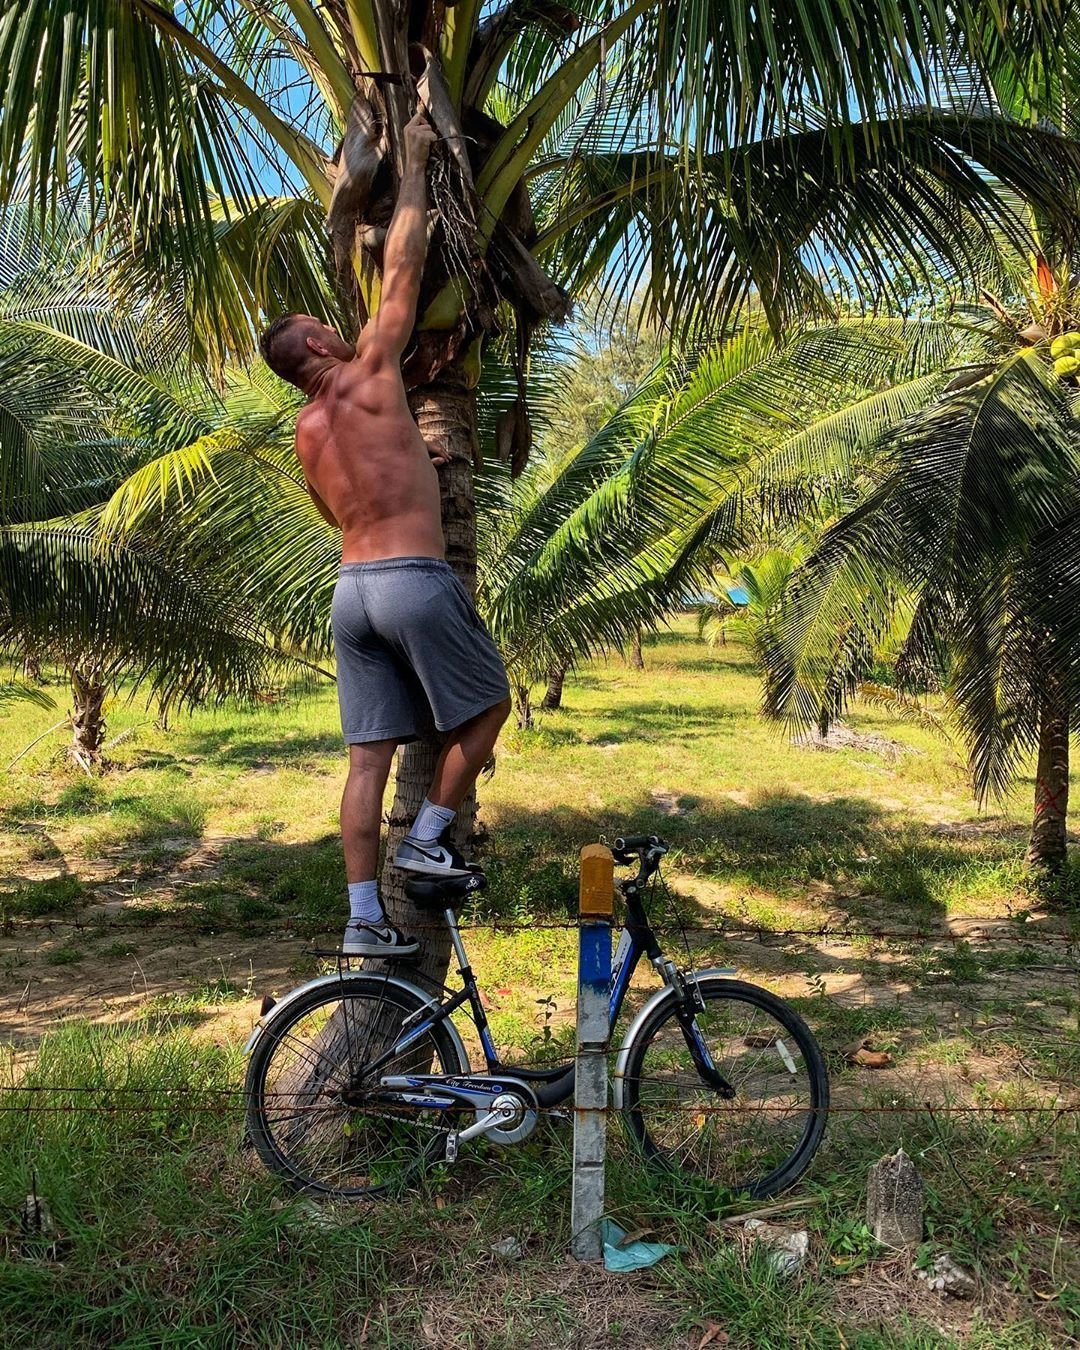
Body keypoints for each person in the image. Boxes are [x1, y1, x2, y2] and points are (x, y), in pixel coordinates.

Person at [258, 111, 511, 958]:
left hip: (351, 592)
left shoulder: (304, 431)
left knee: (366, 762)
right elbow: (401, 267)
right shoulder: (369, 371)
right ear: (321, 343)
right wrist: (412, 165)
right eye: (321, 324)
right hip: (413, 577)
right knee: (489, 707)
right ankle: (429, 832)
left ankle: (363, 920)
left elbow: (335, 512)